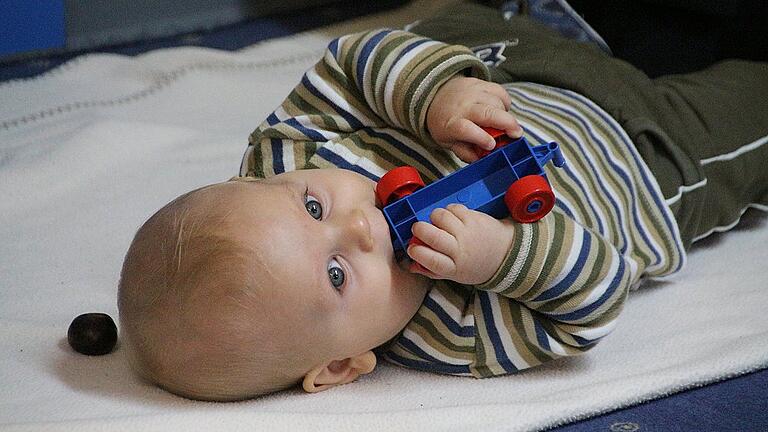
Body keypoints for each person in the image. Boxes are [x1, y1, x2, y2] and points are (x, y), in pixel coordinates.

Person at [117, 2, 768, 401]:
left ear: (252, 182)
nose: (362, 226)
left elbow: (348, 63)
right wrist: (501, 258)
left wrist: (433, 96)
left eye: (314, 208)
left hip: (508, 65)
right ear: (343, 365)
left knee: (447, 24)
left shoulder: (284, 156)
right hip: (647, 150)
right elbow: (598, 295)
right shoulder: (452, 334)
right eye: (338, 275)